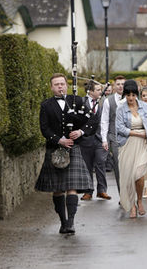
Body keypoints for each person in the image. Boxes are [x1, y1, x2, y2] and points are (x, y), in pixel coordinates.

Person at [35, 73, 93, 234]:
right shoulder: (46, 105)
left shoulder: (78, 101)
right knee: (58, 188)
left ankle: (71, 222)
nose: (60, 86)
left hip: (73, 148)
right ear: (51, 87)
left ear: (66, 85)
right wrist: (59, 140)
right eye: (56, 84)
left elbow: (91, 120)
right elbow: (44, 128)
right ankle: (62, 221)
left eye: (62, 83)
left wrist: (81, 132)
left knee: (71, 187)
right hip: (55, 149)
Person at [116, 80, 147, 218]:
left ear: (137, 94)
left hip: (143, 145)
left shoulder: (145, 107)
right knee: (129, 177)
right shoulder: (121, 109)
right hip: (127, 144)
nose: (131, 98)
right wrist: (136, 133)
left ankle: (140, 200)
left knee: (139, 174)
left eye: (133, 95)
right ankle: (132, 205)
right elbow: (119, 128)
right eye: (128, 95)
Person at [80, 81, 112, 201]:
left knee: (100, 163)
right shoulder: (81, 102)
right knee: (87, 166)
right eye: (98, 89)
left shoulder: (104, 102)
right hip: (86, 139)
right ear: (90, 91)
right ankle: (88, 191)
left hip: (100, 139)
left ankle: (102, 190)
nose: (101, 92)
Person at [101, 75, 125, 194]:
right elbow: (104, 121)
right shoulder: (108, 101)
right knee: (118, 166)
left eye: (123, 84)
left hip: (130, 137)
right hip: (114, 137)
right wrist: (104, 139)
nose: (121, 86)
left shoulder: (133, 99)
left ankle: (132, 194)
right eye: (118, 84)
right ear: (114, 86)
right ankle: (122, 195)